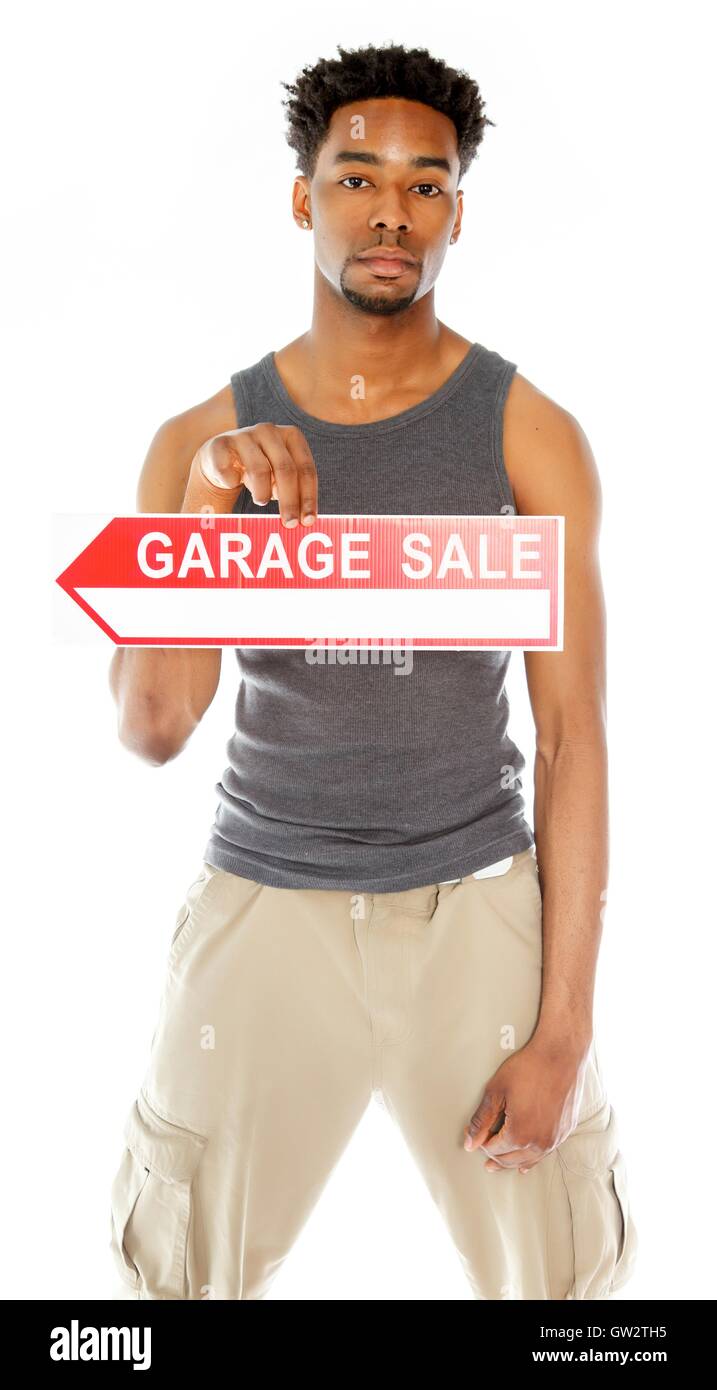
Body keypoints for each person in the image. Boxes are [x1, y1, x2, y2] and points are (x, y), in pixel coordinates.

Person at [108, 42, 638, 1301]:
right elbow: (153, 724)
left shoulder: (528, 433)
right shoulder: (196, 443)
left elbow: (572, 733)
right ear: (305, 198)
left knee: (564, 1285)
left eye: (426, 183)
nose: (391, 209)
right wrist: (203, 504)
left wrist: (563, 1025)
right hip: (266, 893)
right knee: (170, 1284)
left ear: (458, 209)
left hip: (474, 900)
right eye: (357, 177)